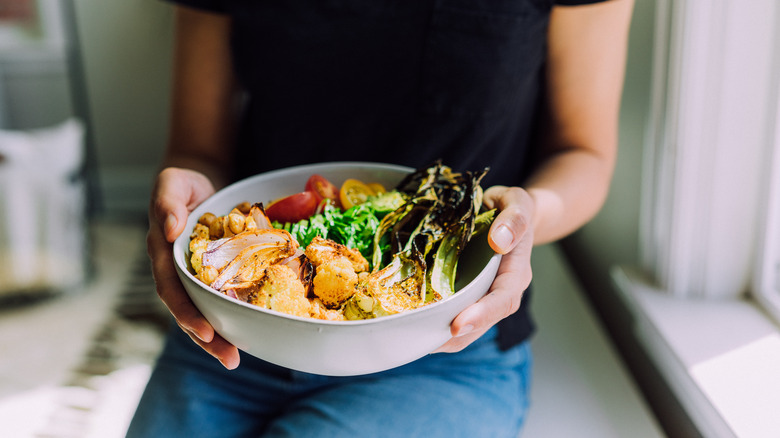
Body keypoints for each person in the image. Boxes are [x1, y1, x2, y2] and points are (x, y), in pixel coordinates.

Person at [128, 0, 634, 436]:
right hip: (232, 331)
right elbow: (198, 148)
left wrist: (525, 218)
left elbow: (582, 153)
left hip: (442, 349)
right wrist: (186, 197)